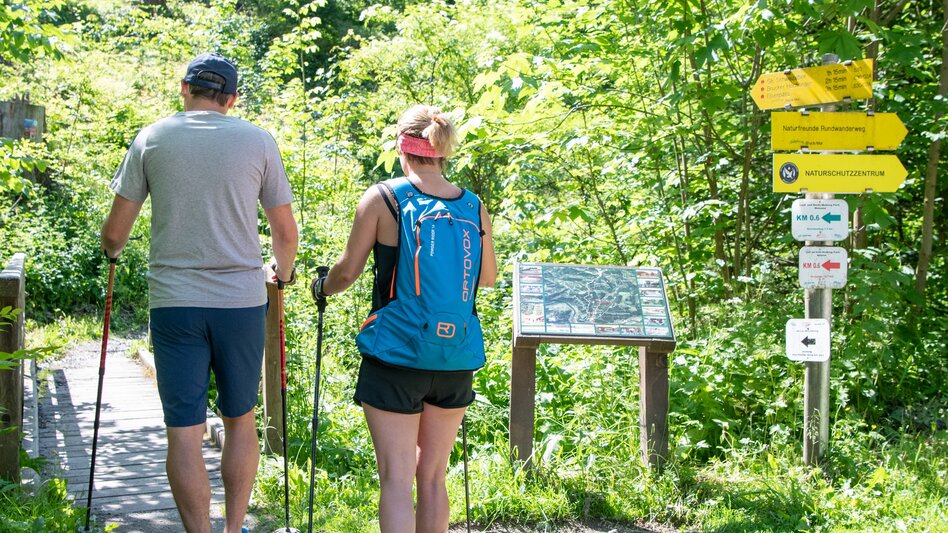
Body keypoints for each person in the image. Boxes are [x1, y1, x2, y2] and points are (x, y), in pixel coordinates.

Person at [100, 52, 298, 533]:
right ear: (232, 99)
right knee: (240, 419)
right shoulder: (258, 141)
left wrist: (112, 253)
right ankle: (234, 528)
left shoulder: (152, 138)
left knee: (184, 431)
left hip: (175, 302)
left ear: (185, 88)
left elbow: (114, 234)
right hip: (241, 302)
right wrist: (284, 273)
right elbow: (285, 233)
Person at [312, 105, 497, 532]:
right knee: (433, 478)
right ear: (442, 150)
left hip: (395, 354)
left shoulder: (384, 198)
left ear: (402, 146)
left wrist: (321, 287)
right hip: (454, 358)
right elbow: (486, 278)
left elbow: (346, 273)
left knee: (397, 480)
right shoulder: (472, 205)